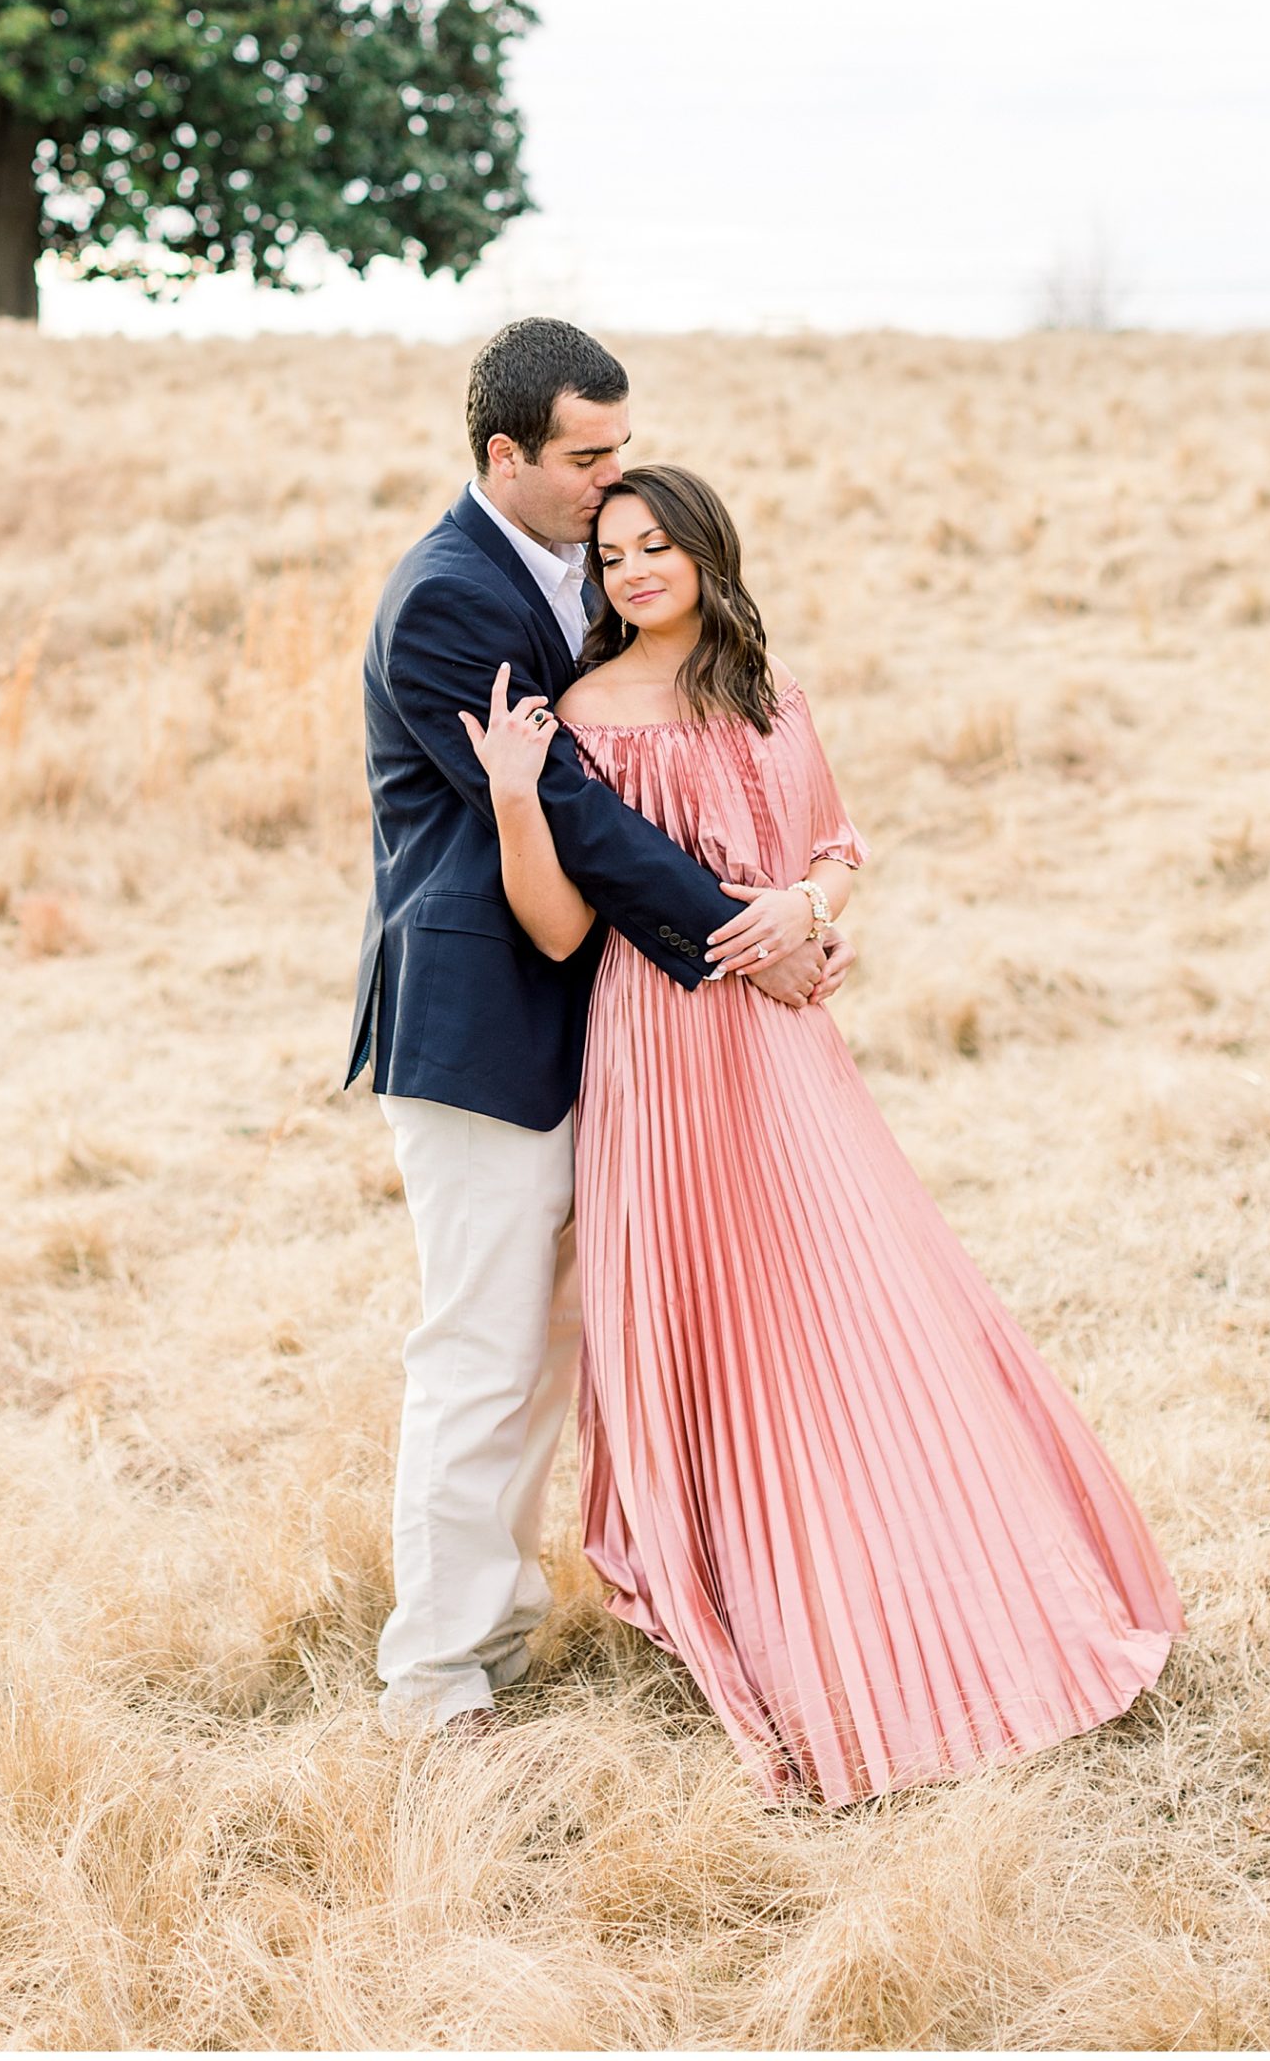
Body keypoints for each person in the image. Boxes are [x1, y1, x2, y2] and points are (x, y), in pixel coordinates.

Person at [460, 460, 1184, 1805]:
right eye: (612, 554)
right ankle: (751, 1580)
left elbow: (842, 845)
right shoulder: (581, 718)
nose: (633, 570)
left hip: (782, 1042)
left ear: (704, 554)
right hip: (658, 1047)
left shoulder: (768, 696)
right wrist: (513, 790)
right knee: (706, 1318)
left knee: (845, 1300)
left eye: (657, 545)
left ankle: (926, 1565)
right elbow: (562, 928)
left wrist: (808, 906)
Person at [346, 321, 850, 1738]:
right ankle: (435, 1681)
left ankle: (502, 1634)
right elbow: (577, 810)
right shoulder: (448, 600)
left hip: (592, 1022)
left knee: (554, 1349)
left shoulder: (571, 583)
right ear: (502, 455)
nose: (609, 479)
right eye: (585, 456)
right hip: (481, 1031)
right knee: (483, 1355)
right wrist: (743, 937)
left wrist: (800, 900)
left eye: (621, 449)